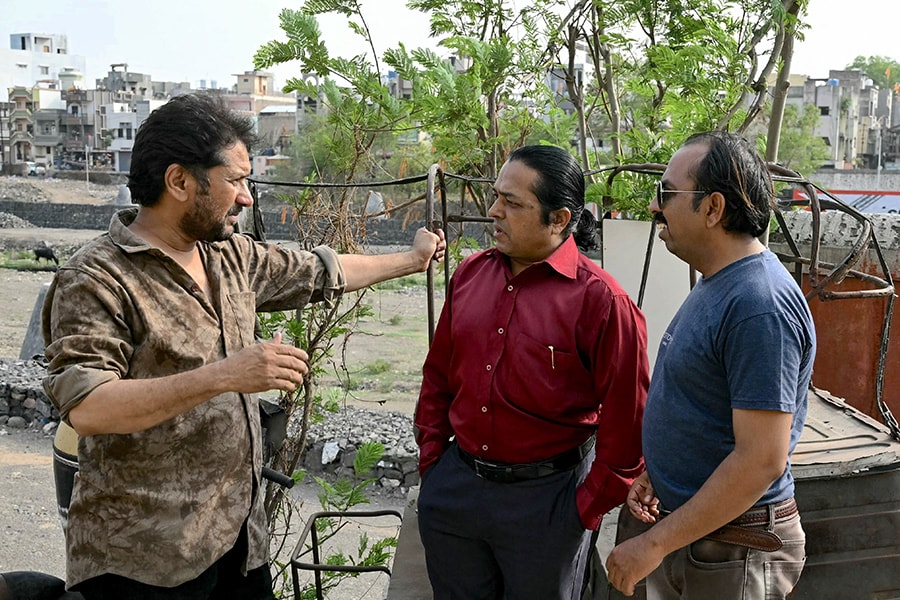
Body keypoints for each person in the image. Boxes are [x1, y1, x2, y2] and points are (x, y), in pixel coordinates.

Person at [41, 92, 445, 599]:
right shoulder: (97, 277)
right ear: (180, 181)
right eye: (235, 181)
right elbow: (90, 407)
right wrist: (226, 375)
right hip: (144, 558)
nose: (247, 197)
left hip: (237, 543)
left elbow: (320, 271)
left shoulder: (227, 255)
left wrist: (410, 260)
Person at [414, 144, 649, 599]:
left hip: (548, 504)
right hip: (456, 490)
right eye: (497, 196)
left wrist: (582, 512)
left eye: (513, 203)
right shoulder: (469, 275)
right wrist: (433, 464)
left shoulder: (603, 303)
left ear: (559, 219)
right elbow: (438, 378)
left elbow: (627, 430)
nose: (494, 211)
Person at [605, 131, 816, 599]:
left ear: (713, 208)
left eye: (666, 194)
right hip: (705, 534)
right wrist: (662, 473)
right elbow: (705, 403)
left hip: (736, 548)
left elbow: (761, 458)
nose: (656, 208)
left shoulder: (759, 304)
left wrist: (653, 544)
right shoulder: (720, 283)